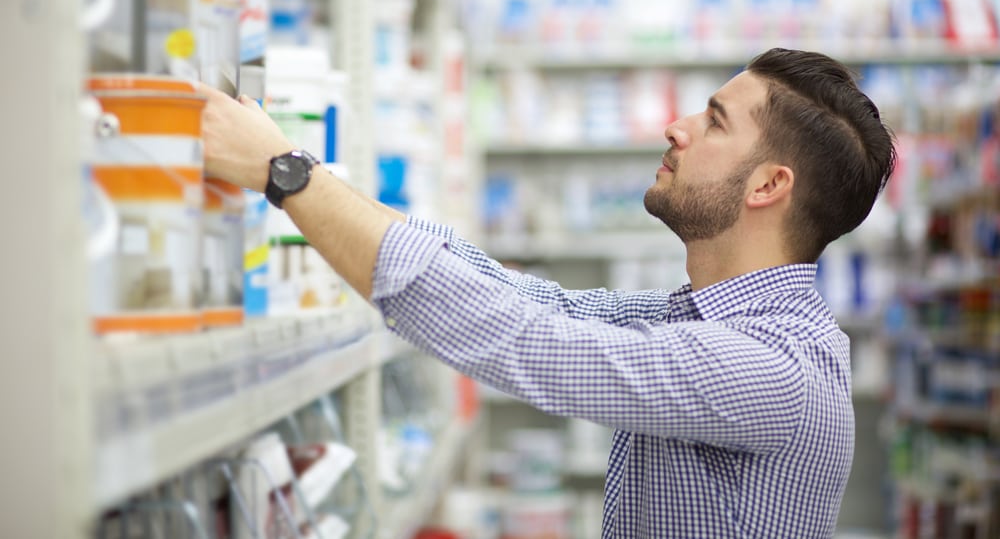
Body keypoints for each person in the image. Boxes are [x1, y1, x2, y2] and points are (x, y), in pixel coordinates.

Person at [201, 47, 897, 538]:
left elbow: (529, 344)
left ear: (769, 185)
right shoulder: (692, 317)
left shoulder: (774, 371)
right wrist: (308, 171)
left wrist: (282, 172)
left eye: (714, 120)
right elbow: (532, 303)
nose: (675, 126)